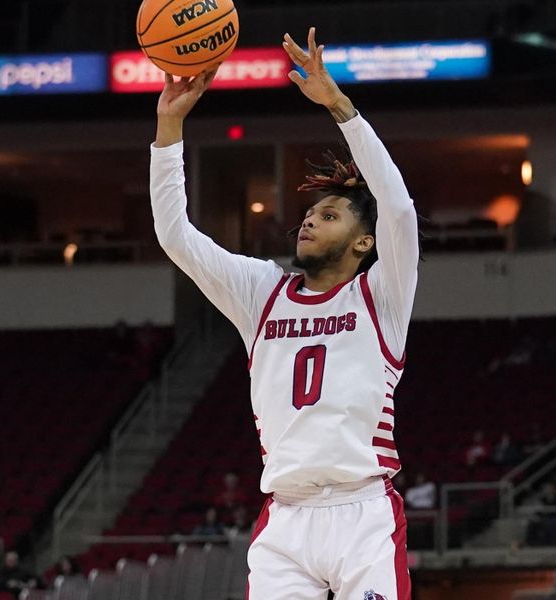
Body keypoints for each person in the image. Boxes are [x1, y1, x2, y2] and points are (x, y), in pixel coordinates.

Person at [150, 26, 418, 599]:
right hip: (286, 519)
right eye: (310, 213)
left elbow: (397, 207)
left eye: (330, 215)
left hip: (363, 512)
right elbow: (175, 235)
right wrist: (169, 129)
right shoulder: (261, 292)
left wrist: (341, 107)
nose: (310, 220)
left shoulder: (382, 296)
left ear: (364, 243)